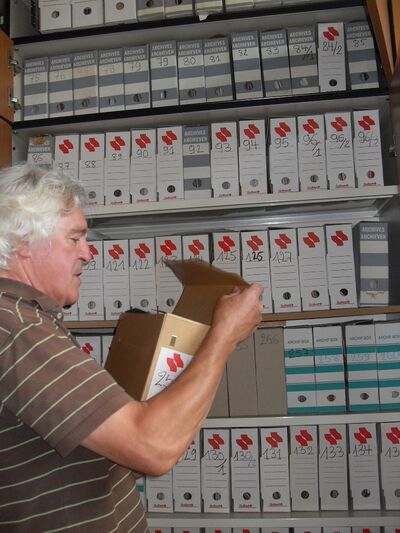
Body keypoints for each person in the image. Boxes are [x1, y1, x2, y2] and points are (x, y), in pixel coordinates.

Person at [0, 163, 263, 532]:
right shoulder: (19, 330)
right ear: (24, 244)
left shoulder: (25, 319)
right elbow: (154, 449)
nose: (88, 253)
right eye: (75, 239)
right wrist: (224, 335)